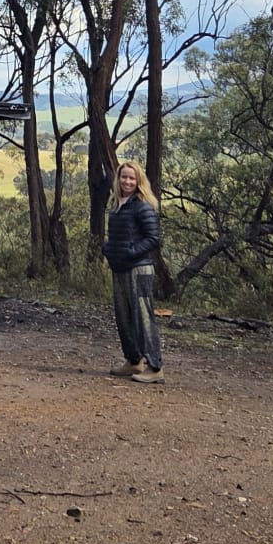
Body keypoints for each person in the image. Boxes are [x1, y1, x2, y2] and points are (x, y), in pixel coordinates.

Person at [104, 160, 163, 382]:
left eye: (132, 177)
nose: (127, 181)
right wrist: (109, 250)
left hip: (139, 269)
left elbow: (153, 239)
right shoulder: (117, 204)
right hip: (119, 268)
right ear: (118, 179)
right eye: (124, 177)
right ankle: (133, 361)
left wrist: (129, 252)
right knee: (123, 317)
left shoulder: (142, 206)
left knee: (143, 318)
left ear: (139, 181)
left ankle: (155, 368)